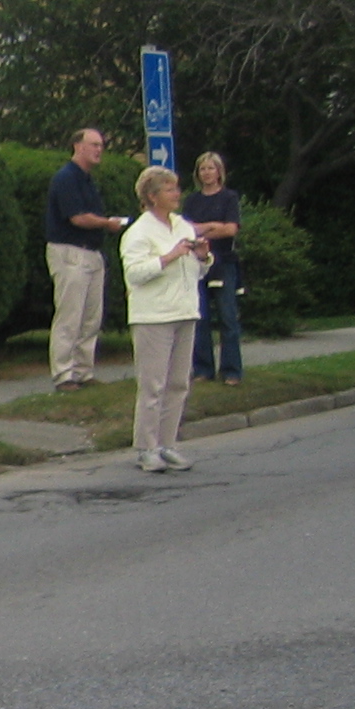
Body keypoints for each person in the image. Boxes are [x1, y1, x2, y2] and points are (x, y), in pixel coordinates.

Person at [120, 167, 210, 474]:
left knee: (178, 383)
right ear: (152, 196)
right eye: (169, 190)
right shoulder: (139, 233)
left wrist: (202, 257)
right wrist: (169, 256)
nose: (176, 194)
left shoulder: (183, 226)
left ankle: (167, 444)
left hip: (185, 310)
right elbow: (135, 274)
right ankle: (146, 447)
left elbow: (197, 272)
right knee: (153, 384)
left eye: (176, 188)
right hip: (153, 316)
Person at [46, 128, 128, 390]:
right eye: (94, 144)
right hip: (70, 252)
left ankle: (83, 371)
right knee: (70, 316)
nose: (99, 149)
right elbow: (78, 217)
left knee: (91, 317)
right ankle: (63, 374)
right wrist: (107, 223)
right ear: (78, 146)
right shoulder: (66, 178)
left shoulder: (87, 180)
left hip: (92, 252)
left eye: (101, 145)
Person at [182, 153, 245, 386]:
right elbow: (187, 231)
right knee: (200, 318)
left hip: (223, 262)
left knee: (228, 317)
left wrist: (204, 230)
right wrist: (210, 226)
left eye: (211, 168)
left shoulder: (229, 198)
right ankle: (203, 369)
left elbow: (230, 230)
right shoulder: (192, 201)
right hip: (198, 263)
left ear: (219, 171)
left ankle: (231, 370)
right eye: (203, 169)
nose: (207, 173)